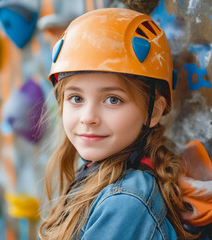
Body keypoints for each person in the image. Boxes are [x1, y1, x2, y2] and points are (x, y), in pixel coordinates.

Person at [38, 8, 197, 240]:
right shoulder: (98, 177)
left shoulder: (125, 202)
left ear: (153, 111)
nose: (88, 117)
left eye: (112, 99)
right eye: (76, 98)